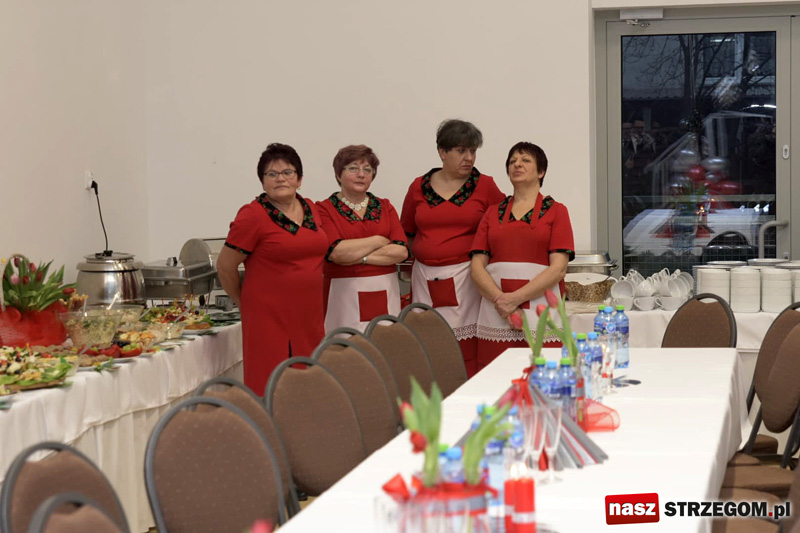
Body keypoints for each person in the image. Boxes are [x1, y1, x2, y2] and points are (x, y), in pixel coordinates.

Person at [217, 143, 328, 396]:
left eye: (288, 172)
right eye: (272, 174)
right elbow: (225, 266)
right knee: (272, 387)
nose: (281, 179)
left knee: (310, 384)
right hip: (269, 318)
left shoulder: (310, 208)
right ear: (263, 182)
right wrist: (243, 302)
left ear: (299, 179)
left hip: (310, 316)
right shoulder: (252, 216)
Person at [400, 119, 505, 377]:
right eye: (461, 151)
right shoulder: (418, 187)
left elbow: (503, 227)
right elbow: (406, 233)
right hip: (425, 279)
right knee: (429, 344)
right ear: (442, 152)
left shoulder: (485, 185)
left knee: (466, 348)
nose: (469, 157)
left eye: (473, 151)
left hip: (467, 279)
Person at [470, 142, 575, 370]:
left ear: (541, 172)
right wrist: (501, 301)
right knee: (495, 376)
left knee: (542, 374)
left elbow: (558, 268)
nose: (517, 164)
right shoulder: (492, 213)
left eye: (525, 160)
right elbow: (477, 266)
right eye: (512, 161)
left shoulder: (557, 211)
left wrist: (513, 299)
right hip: (496, 313)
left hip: (539, 311)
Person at [316, 145, 408, 332]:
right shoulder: (324, 209)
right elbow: (337, 253)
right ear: (338, 174)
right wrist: (378, 240)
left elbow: (400, 251)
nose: (361, 174)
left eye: (367, 170)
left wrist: (358, 257)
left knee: (386, 343)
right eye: (353, 168)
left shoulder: (385, 206)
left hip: (385, 292)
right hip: (343, 296)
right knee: (345, 346)